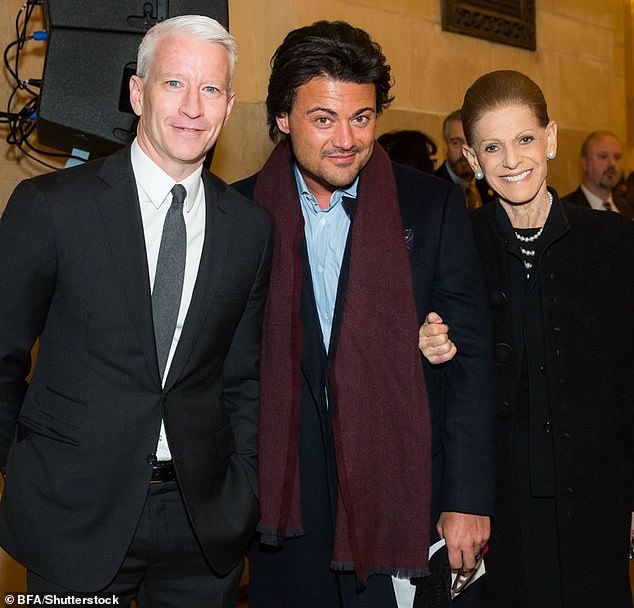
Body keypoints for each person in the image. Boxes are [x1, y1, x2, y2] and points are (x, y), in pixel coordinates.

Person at [0, 15, 271, 606]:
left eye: (211, 89)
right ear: (136, 92)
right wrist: (21, 470)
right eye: (174, 83)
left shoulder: (249, 230)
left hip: (202, 526)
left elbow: (244, 378)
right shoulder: (52, 208)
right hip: (71, 516)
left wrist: (243, 486)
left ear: (228, 108)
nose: (192, 107)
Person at [233, 20, 495, 608]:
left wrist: (468, 497)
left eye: (362, 117)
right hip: (284, 508)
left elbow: (470, 366)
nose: (346, 139)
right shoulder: (238, 213)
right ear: (281, 117)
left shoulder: (431, 206)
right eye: (323, 119)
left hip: (402, 494)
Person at [425, 69, 634, 607]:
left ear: (552, 138)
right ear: (472, 160)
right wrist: (426, 344)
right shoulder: (456, 243)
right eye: (492, 147)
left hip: (594, 503)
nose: (512, 160)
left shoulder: (612, 240)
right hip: (497, 505)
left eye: (524, 140)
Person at [561, 130, 634, 218]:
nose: (612, 163)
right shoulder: (565, 210)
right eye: (603, 157)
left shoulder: (626, 209)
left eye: (617, 157)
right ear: (585, 163)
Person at [434, 109, 494, 209]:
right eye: (456, 143)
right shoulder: (434, 188)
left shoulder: (490, 183)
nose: (464, 151)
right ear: (445, 146)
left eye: (470, 142)